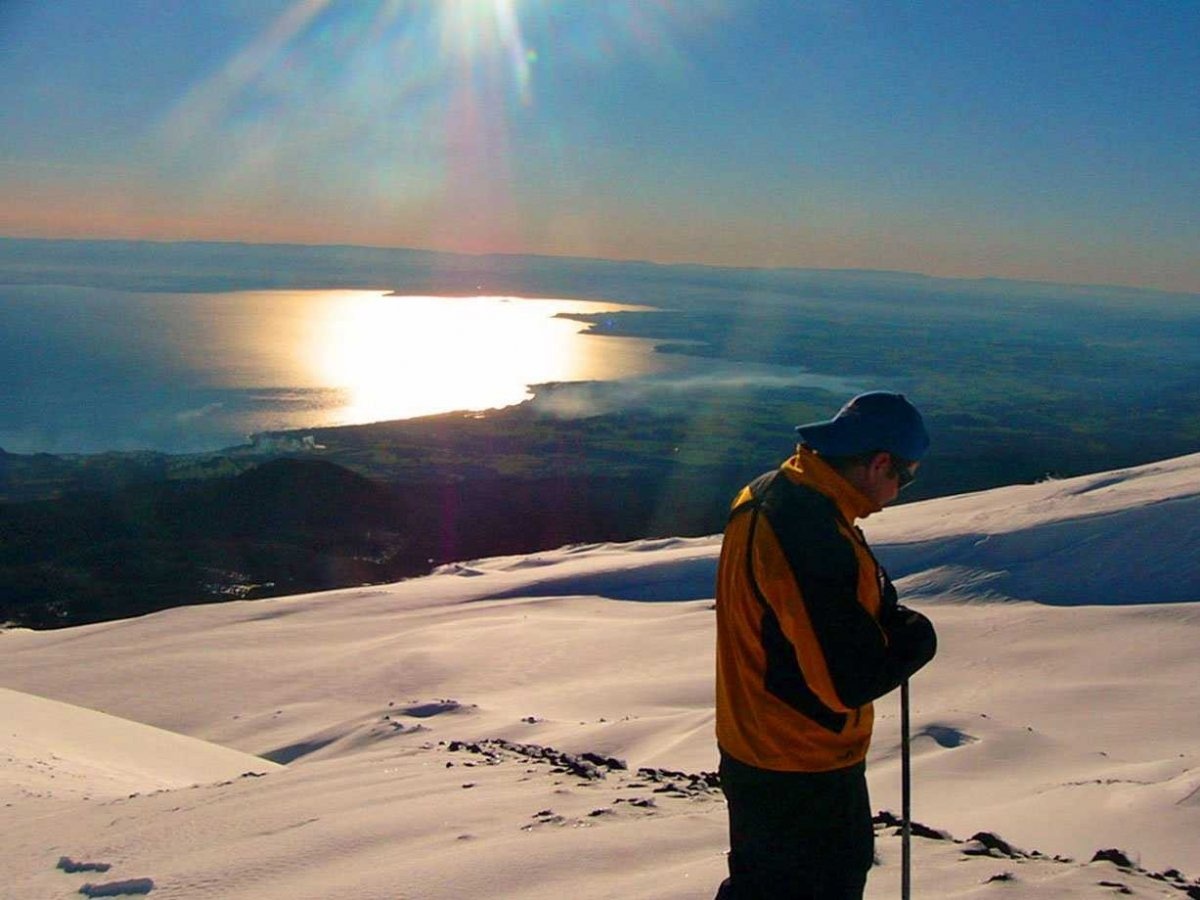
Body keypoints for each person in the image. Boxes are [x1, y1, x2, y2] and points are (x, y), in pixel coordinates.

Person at [713, 391, 938, 899]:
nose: (901, 489)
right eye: (905, 475)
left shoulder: (771, 494)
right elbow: (846, 682)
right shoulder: (809, 528)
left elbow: (792, 622)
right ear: (880, 462)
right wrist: (916, 641)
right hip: (802, 763)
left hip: (756, 745)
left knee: (760, 887)